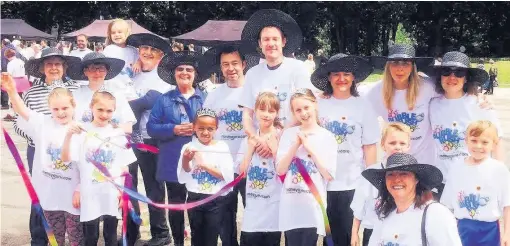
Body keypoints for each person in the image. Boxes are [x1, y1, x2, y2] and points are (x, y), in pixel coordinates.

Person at [1, 77, 83, 246]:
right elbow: (22, 109)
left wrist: (80, 189)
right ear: (49, 109)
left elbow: (86, 165)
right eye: (56, 109)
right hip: (49, 196)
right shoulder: (42, 123)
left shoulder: (81, 130)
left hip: (72, 197)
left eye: (65, 108)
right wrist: (11, 91)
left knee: (76, 238)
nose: (61, 112)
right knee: (55, 238)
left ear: (73, 105)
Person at [311, 53, 379, 245]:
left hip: (352, 184)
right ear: (329, 77)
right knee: (329, 238)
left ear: (354, 77)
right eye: (336, 74)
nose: (341, 79)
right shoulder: (318, 104)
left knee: (350, 237)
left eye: (346, 74)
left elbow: (370, 147)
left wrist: (370, 183)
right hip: (323, 183)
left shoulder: (364, 106)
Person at [61, 90, 137, 246]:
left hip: (111, 193)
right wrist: (68, 136)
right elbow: (67, 160)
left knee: (110, 235)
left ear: (114, 111)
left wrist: (123, 192)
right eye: (100, 109)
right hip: (90, 193)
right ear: (91, 107)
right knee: (91, 235)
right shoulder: (82, 132)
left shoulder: (118, 134)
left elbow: (125, 167)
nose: (104, 114)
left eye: (109, 110)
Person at [147, 51, 207, 246]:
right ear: (174, 73)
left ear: (195, 74)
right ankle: (178, 242)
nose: (184, 72)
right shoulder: (164, 100)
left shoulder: (205, 98)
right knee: (176, 205)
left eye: (189, 69)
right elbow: (151, 128)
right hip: (172, 160)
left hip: (200, 161)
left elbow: (216, 126)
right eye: (180, 69)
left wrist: (198, 129)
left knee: (198, 205)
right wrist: (173, 129)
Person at [200, 43, 258, 246]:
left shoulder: (254, 92)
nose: (230, 68)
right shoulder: (214, 95)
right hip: (222, 168)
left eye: (234, 63)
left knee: (253, 213)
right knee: (224, 218)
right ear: (221, 67)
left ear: (243, 64)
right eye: (225, 64)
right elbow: (204, 128)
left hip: (250, 165)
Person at [240, 9, 314, 160]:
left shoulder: (298, 69)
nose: (271, 44)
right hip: (259, 147)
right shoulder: (252, 74)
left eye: (275, 39)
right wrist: (256, 139)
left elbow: (306, 109)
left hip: (292, 145)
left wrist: (278, 137)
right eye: (266, 40)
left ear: (283, 41)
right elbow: (247, 115)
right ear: (260, 44)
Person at [429, 51, 504, 199]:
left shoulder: (479, 104)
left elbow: (497, 140)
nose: (452, 77)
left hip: (472, 178)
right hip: (441, 182)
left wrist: (499, 176)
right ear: (440, 76)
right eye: (446, 71)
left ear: (466, 78)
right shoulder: (432, 104)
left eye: (459, 73)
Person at [125, 33, 174, 246]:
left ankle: (161, 234)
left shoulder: (163, 76)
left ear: (160, 55)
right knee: (130, 187)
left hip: (152, 140)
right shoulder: (132, 74)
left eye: (153, 50)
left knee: (154, 188)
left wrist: (125, 106)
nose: (147, 53)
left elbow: (151, 100)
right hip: (130, 139)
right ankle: (132, 233)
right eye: (144, 48)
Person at [276, 89, 337, 245]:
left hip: (313, 205)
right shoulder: (289, 134)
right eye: (298, 110)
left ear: (315, 105)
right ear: (293, 113)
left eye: (306, 107)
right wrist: (295, 145)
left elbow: (328, 174)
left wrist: (310, 149)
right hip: (291, 205)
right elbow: (280, 169)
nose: (303, 113)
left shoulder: (327, 136)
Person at [363, 153, 462, 246]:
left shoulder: (435, 213)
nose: (397, 179)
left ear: (416, 179)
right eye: (390, 174)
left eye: (403, 174)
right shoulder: (384, 216)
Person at [441, 120, 510, 246]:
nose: (478, 146)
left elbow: (507, 205)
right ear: (466, 141)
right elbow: (447, 206)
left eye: (485, 142)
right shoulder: (456, 167)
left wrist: (507, 233)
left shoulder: (499, 169)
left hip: (489, 229)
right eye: (474, 140)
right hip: (462, 228)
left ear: (493, 145)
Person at [177, 108, 234, 246]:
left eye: (210, 128)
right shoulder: (189, 146)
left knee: (211, 237)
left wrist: (204, 165)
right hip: (195, 197)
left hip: (215, 199)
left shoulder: (222, 147)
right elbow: (184, 173)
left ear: (216, 128)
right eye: (201, 128)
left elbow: (227, 176)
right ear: (194, 127)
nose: (205, 132)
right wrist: (186, 159)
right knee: (196, 236)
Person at [350, 122, 412, 246]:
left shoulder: (413, 174)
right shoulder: (369, 173)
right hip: (372, 230)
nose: (397, 147)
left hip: (402, 232)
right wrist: (354, 233)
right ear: (383, 145)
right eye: (392, 143)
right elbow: (358, 205)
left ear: (408, 146)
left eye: (402, 143)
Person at [237, 92, 283, 246]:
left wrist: (275, 150)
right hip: (253, 211)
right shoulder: (247, 140)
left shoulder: (282, 138)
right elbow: (242, 174)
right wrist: (250, 148)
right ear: (255, 111)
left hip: (273, 211)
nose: (266, 114)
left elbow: (284, 173)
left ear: (277, 113)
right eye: (262, 109)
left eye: (271, 111)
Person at [66, 52, 135, 133]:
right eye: (92, 68)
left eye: (101, 69)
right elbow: (67, 123)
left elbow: (128, 127)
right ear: (85, 71)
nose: (97, 73)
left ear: (106, 71)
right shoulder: (75, 95)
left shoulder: (117, 94)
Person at [103, 19, 141, 98]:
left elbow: (140, 59)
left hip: (131, 87)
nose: (116, 35)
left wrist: (138, 62)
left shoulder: (133, 50)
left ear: (127, 33)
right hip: (113, 87)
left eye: (120, 32)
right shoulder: (109, 49)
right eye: (113, 33)